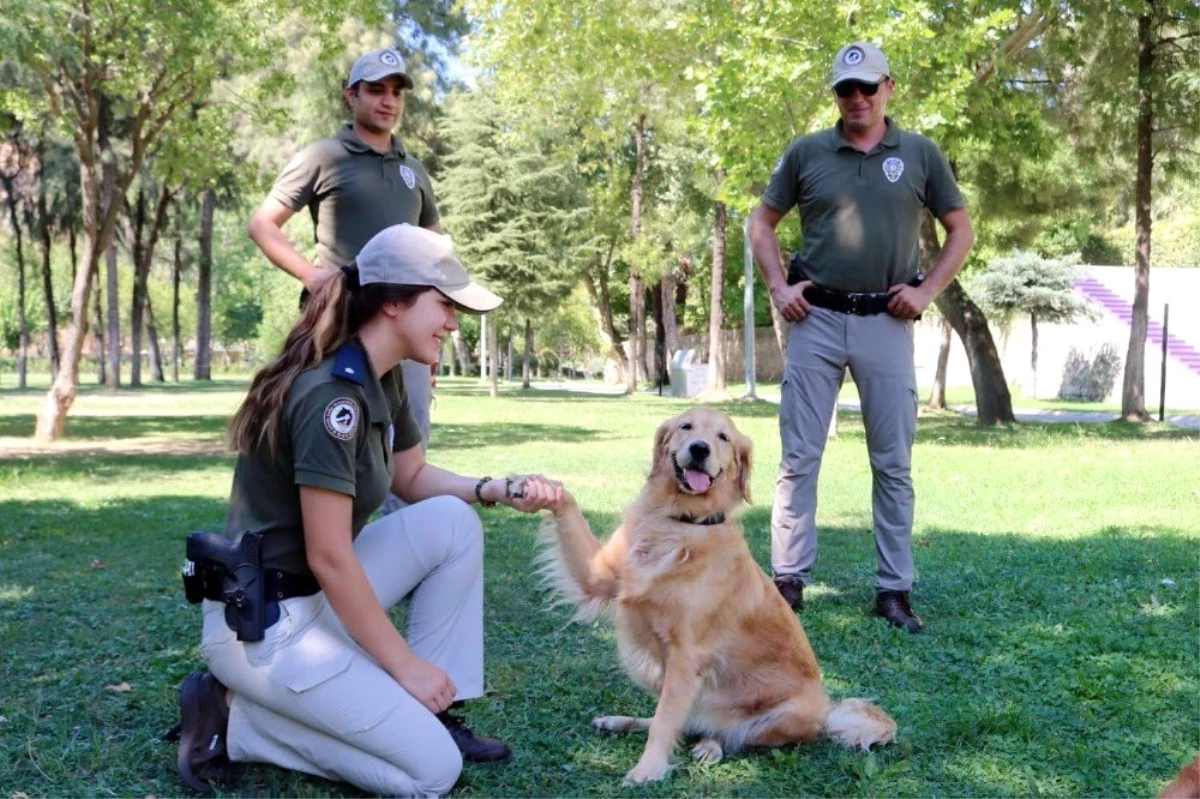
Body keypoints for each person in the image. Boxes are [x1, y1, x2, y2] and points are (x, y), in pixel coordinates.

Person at [175, 224, 563, 796]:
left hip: (312, 602)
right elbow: (330, 557)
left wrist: (492, 488)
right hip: (266, 627)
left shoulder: (382, 378)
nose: (454, 322)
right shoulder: (333, 397)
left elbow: (409, 477)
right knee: (432, 773)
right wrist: (404, 664)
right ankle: (237, 721)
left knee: (454, 523)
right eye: (444, 304)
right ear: (391, 303)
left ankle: (432, 713)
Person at [749, 41, 975, 633]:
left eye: (866, 87)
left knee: (893, 464)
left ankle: (893, 591)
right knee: (799, 458)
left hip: (887, 322)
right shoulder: (806, 153)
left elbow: (960, 228)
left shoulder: (921, 153)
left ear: (888, 88)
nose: (856, 99)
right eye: (845, 89)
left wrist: (926, 293)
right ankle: (788, 582)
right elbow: (762, 222)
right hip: (815, 319)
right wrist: (779, 288)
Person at [247, 47, 441, 449]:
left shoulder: (414, 170)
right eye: (375, 90)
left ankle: (401, 515)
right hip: (343, 325)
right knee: (340, 437)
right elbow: (262, 224)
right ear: (351, 95)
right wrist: (311, 275)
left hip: (407, 328)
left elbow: (436, 252)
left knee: (408, 446)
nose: (388, 100)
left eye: (396, 92)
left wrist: (435, 328)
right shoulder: (323, 157)